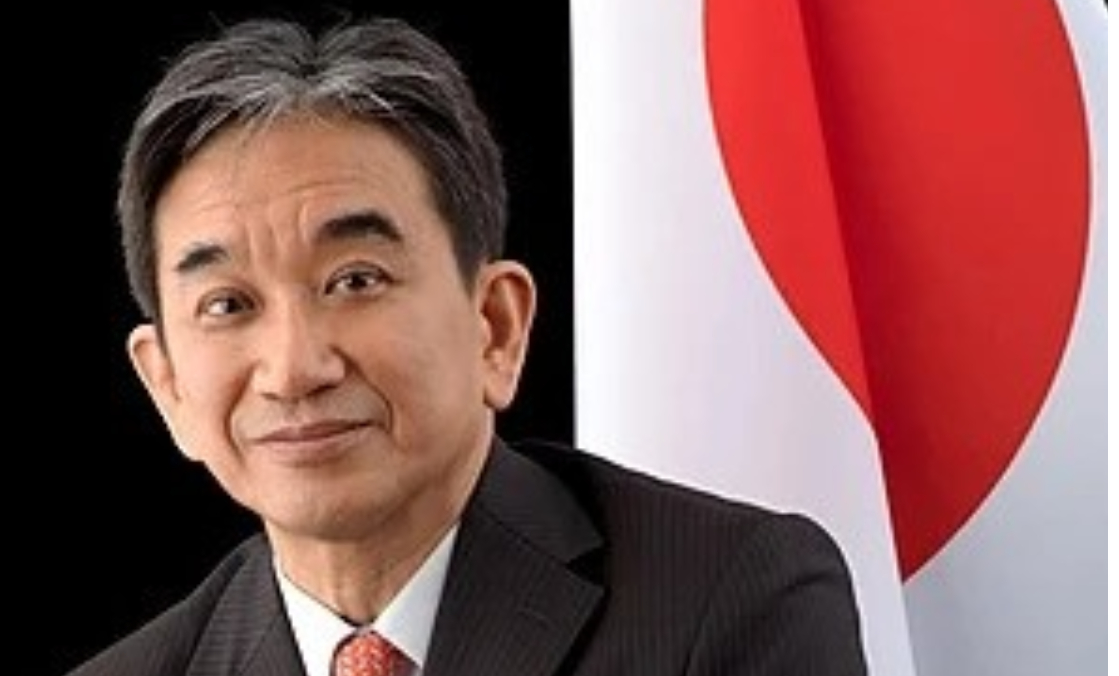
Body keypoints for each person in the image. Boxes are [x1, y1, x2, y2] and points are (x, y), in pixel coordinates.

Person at [66, 12, 869, 676]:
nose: (294, 368)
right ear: (167, 385)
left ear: (495, 325)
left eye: (355, 280)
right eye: (228, 304)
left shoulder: (730, 602)